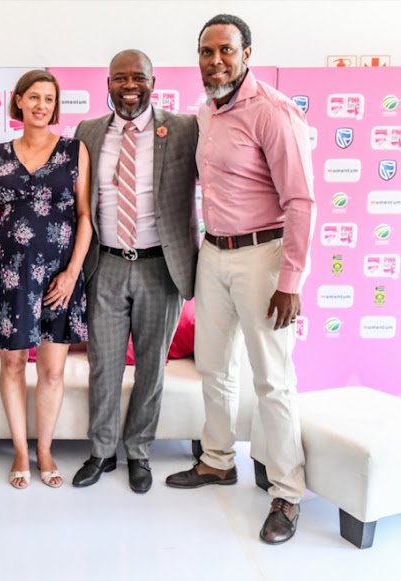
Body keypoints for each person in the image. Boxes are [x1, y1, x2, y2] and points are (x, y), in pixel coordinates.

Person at [165, 14, 316, 545]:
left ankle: (287, 492)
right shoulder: (205, 114)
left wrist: (291, 279)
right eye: (206, 52)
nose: (215, 62)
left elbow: (301, 201)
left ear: (247, 53)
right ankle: (217, 460)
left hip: (264, 257)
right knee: (213, 365)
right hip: (215, 253)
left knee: (272, 378)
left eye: (226, 50)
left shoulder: (274, 112)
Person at [71, 50, 199, 493]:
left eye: (138, 77)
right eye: (120, 78)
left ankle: (139, 451)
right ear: (107, 83)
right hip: (104, 263)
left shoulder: (183, 128)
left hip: (160, 267)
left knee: (151, 368)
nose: (130, 85)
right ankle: (102, 451)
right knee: (103, 365)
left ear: (153, 81)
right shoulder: (87, 132)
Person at [0, 71, 91, 489]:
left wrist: (72, 272)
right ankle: (21, 451)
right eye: (34, 97)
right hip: (9, 273)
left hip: (60, 275)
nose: (42, 105)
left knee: (53, 370)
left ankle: (45, 450)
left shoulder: (75, 150)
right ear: (18, 100)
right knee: (12, 362)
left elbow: (84, 218)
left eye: (49, 99)